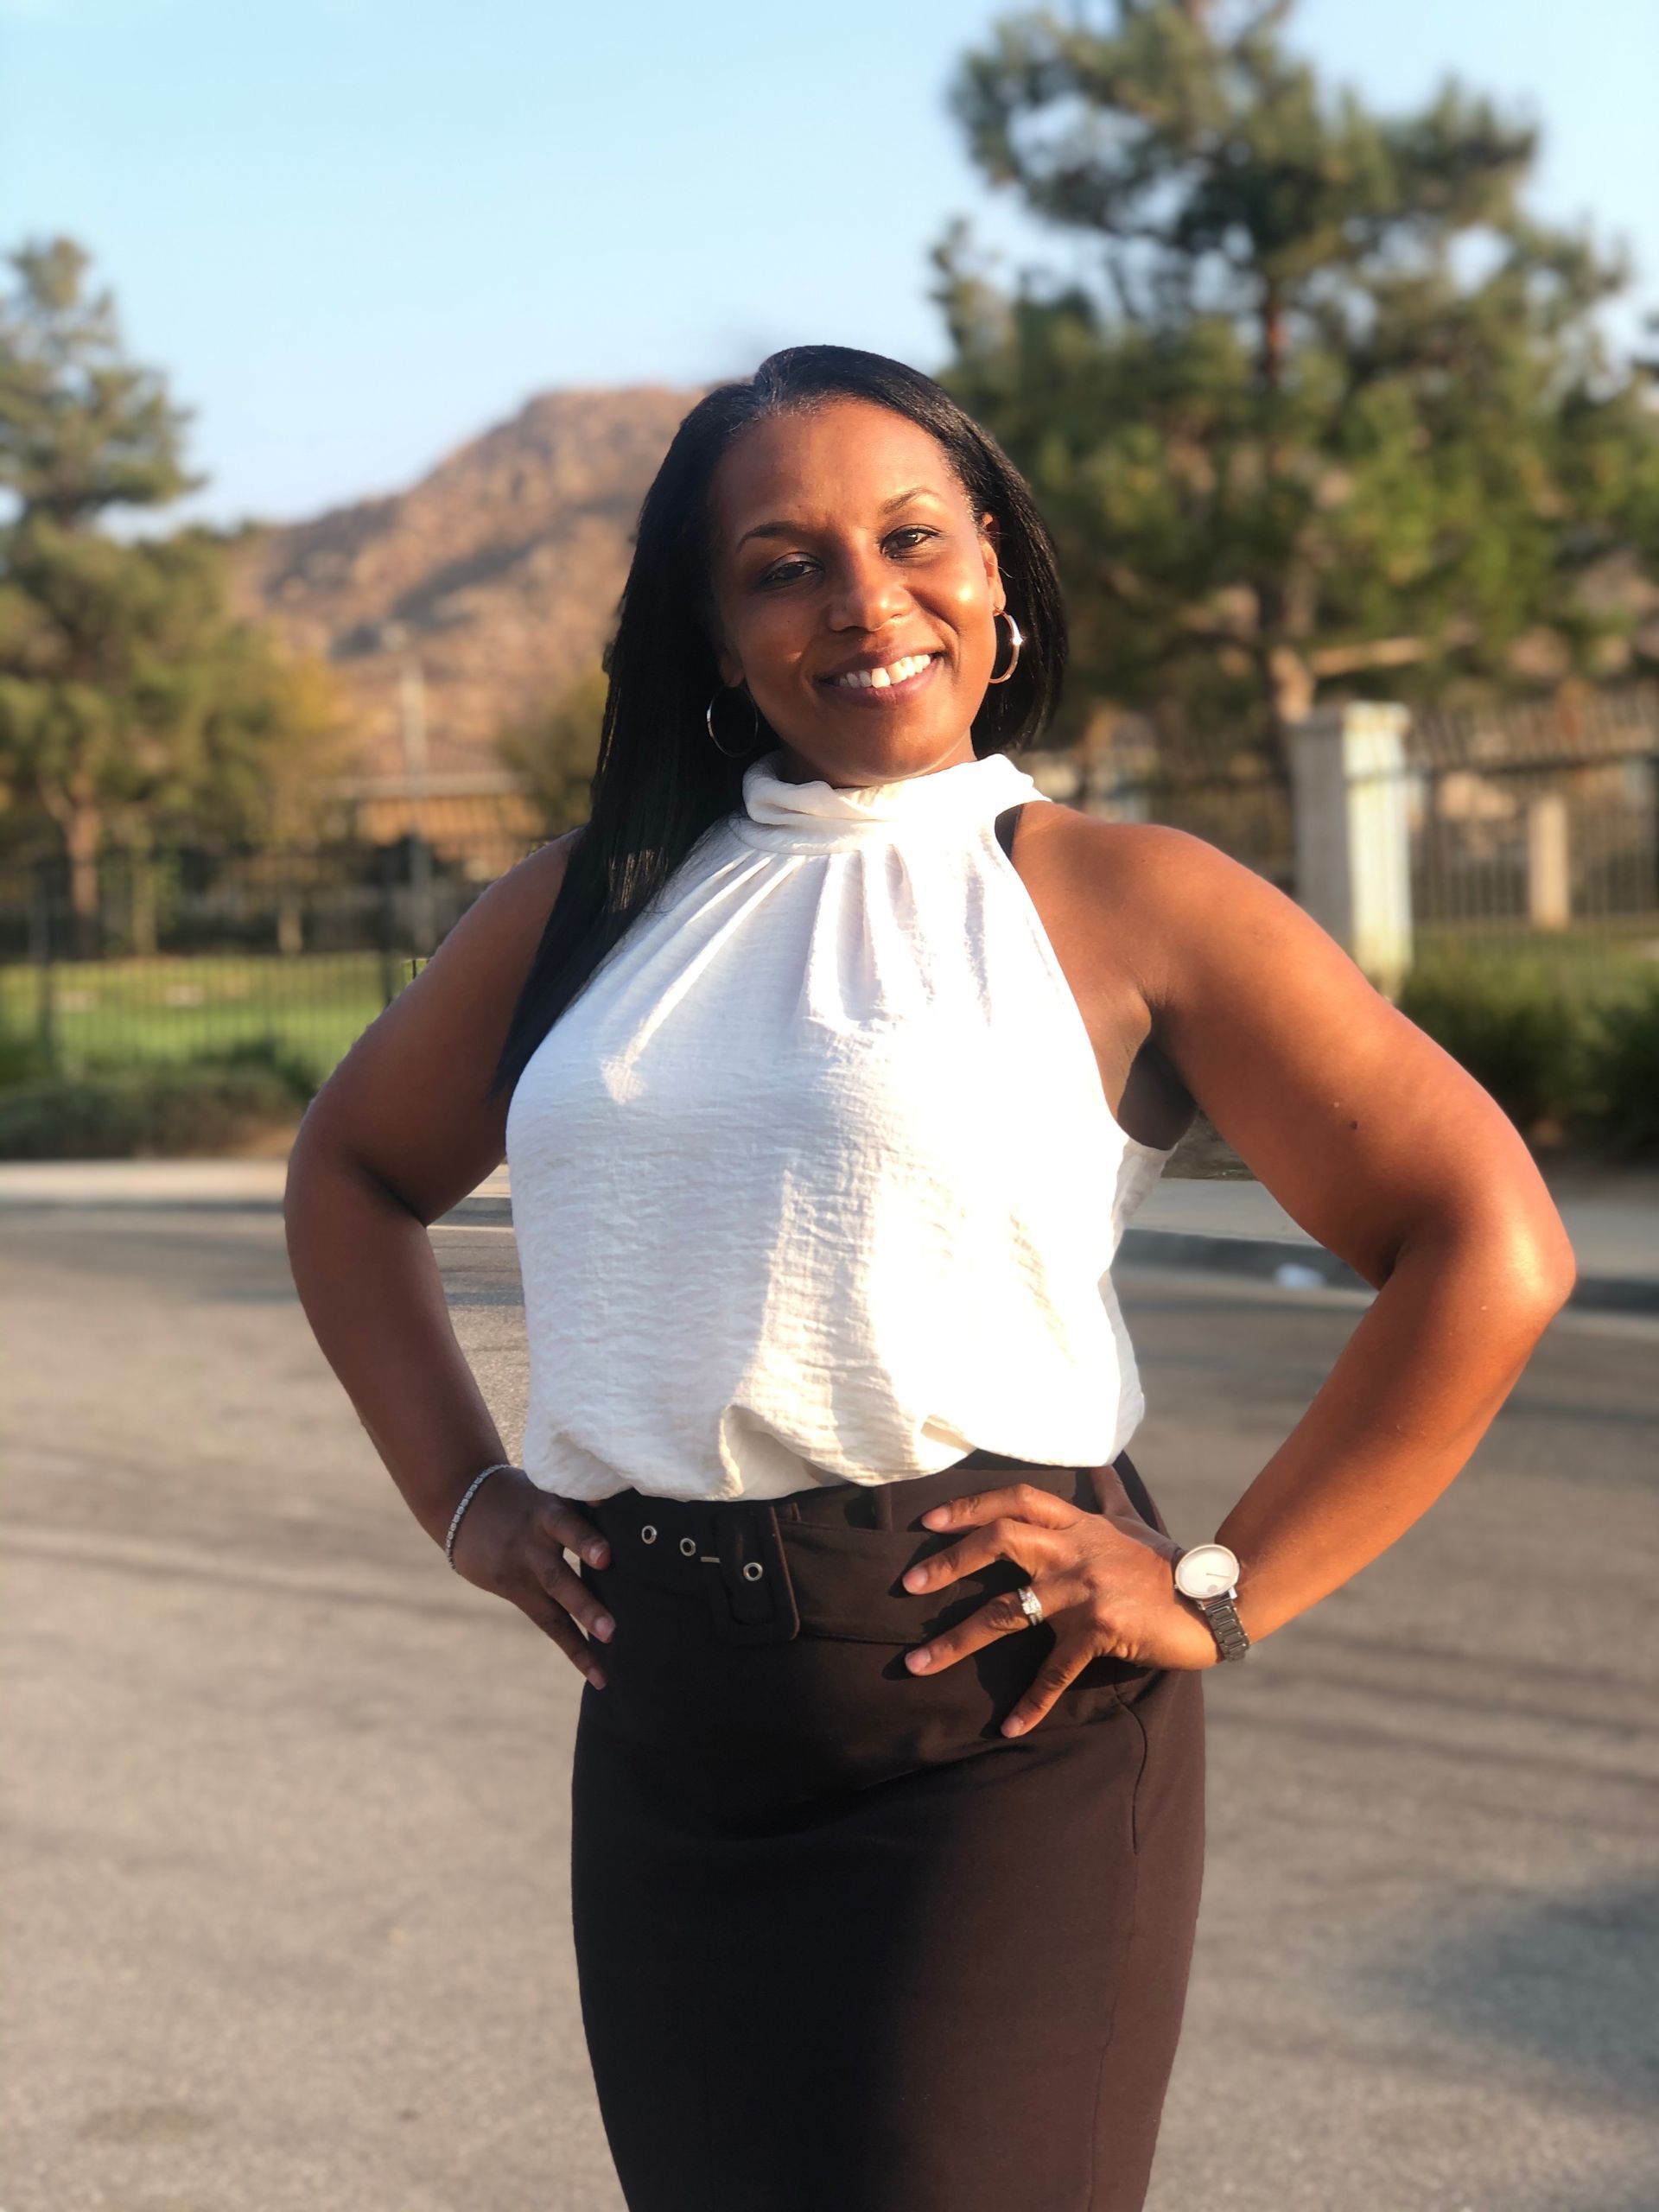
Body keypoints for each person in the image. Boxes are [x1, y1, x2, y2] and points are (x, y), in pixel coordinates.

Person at [283, 344, 1576, 2212]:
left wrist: (1220, 1586)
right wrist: (464, 1495)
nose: (864, 599)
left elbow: (1489, 1239)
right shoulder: (585, 906)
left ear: (997, 571)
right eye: (784, 564)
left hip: (995, 1729)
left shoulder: (1119, 896)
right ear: (715, 634)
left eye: (911, 540)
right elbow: (349, 1172)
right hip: (666, 1744)